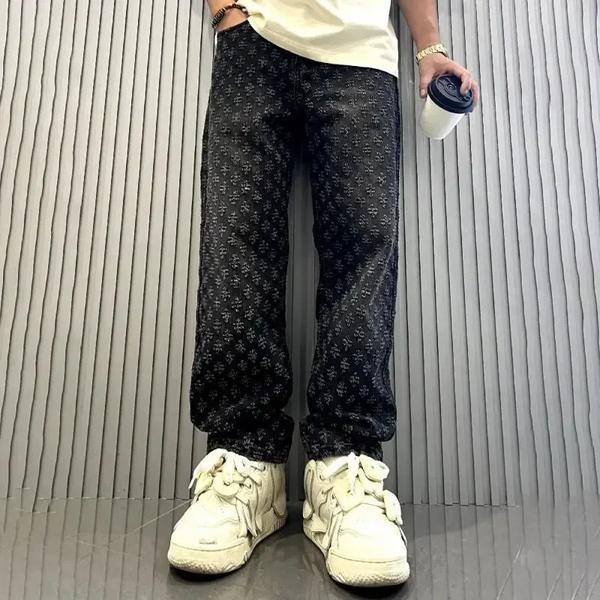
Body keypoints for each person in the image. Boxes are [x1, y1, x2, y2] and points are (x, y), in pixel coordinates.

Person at [167, 0, 479, 588]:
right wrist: (226, 9)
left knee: (363, 251)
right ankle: (245, 465)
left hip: (362, 54)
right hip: (253, 42)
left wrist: (430, 47)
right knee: (235, 242)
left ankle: (344, 468)